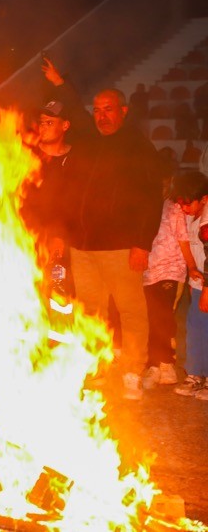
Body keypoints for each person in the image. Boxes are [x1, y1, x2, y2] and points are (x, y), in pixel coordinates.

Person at [65, 88, 165, 400]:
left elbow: (152, 199)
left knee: (130, 309)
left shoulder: (138, 147)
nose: (102, 116)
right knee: (92, 311)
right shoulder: (88, 143)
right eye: (97, 110)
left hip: (121, 245)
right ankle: (96, 368)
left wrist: (141, 243)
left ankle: (133, 371)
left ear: (123, 110)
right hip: (83, 246)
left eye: (108, 109)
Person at [144, 172, 207, 388]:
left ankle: (174, 368)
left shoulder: (192, 216)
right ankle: (181, 370)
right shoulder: (173, 210)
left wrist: (193, 272)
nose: (183, 207)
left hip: (188, 277)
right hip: (169, 275)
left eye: (188, 203)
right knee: (181, 322)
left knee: (174, 319)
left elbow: (190, 245)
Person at [174, 176, 208, 400]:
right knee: (195, 327)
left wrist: (206, 290)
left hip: (206, 285)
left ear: (204, 199)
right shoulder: (191, 217)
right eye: (181, 203)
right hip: (197, 284)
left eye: (189, 203)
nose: (184, 208)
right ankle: (195, 374)